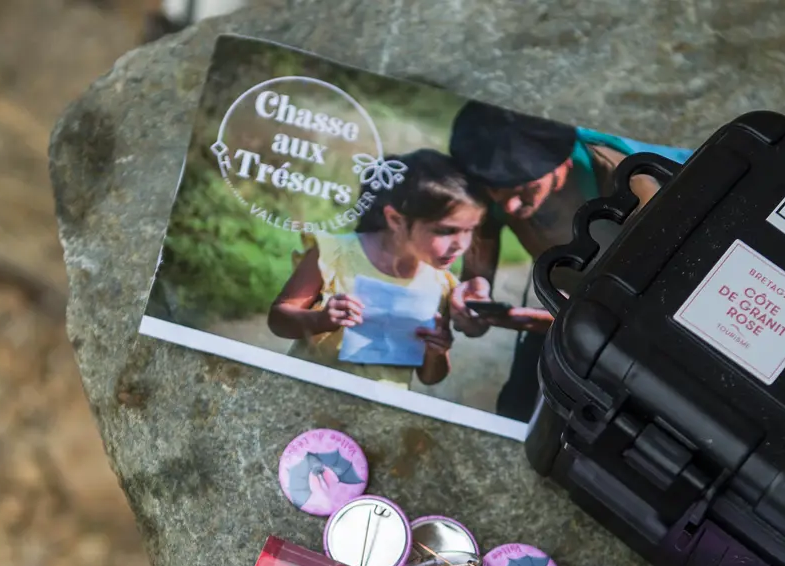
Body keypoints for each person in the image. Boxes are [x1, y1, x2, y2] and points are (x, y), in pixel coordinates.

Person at [444, 102, 692, 418]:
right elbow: (484, 231)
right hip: (564, 307)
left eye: (525, 189)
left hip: (635, 323)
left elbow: (648, 313)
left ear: (564, 162)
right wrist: (475, 285)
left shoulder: (633, 186)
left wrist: (537, 321)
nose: (509, 206)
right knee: (515, 406)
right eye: (497, 191)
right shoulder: (495, 175)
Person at [267, 149, 485, 388]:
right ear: (396, 220)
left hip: (376, 415)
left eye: (469, 230)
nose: (461, 245)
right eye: (445, 230)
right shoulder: (333, 253)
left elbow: (430, 377)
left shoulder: (441, 285)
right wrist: (320, 319)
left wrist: (438, 352)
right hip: (306, 397)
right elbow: (278, 320)